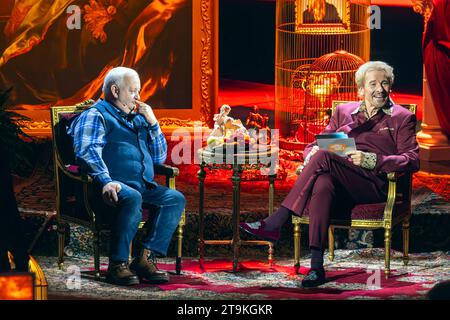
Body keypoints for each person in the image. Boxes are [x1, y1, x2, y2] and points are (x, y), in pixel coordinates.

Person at [240, 61, 419, 287]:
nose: (379, 89)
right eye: (372, 84)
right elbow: (315, 145)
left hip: (374, 184)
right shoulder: (344, 112)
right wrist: (311, 152)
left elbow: (412, 160)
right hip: (340, 177)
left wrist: (375, 160)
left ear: (390, 87)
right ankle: (316, 267)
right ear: (360, 90)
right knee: (323, 182)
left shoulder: (401, 117)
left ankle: (277, 220)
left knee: (325, 157)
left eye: (385, 83)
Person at [68, 67, 186, 286]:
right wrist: (105, 180)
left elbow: (159, 156)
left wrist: (153, 123)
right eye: (133, 91)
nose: (138, 97)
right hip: (106, 188)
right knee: (132, 197)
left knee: (175, 198)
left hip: (141, 185)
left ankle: (145, 258)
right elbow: (87, 151)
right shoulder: (95, 115)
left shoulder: (138, 117)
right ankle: (117, 265)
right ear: (114, 90)